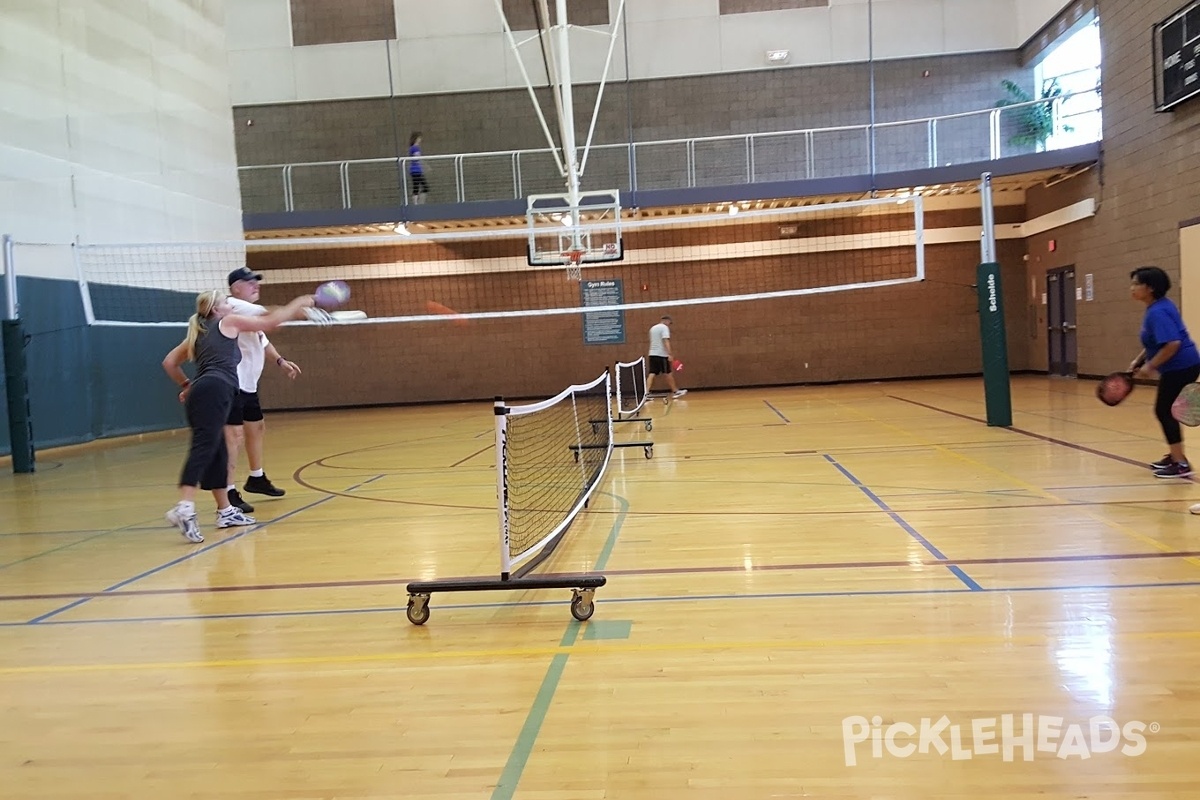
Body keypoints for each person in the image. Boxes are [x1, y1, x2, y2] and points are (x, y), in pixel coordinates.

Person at [161, 289, 319, 543]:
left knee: (219, 451)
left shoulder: (199, 331)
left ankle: (225, 511)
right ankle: (185, 506)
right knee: (204, 447)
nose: (230, 306)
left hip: (207, 390)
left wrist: (187, 385)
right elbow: (270, 323)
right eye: (226, 303)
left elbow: (169, 362)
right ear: (216, 310)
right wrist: (298, 302)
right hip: (216, 388)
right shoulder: (228, 322)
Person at [223, 267, 302, 513]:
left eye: (257, 282)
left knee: (257, 428)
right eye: (250, 283)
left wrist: (280, 361)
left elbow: (263, 340)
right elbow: (272, 318)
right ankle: (228, 492)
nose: (256, 286)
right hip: (231, 383)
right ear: (236, 287)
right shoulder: (232, 305)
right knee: (233, 438)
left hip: (247, 383)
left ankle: (256, 478)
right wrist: (300, 304)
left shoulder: (249, 316)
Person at [1128, 266, 1200, 478]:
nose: (1131, 288)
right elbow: (1156, 342)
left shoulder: (1158, 312)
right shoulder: (1157, 307)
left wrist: (1151, 367)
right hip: (1182, 365)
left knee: (1164, 410)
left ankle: (1180, 464)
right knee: (1167, 410)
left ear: (1149, 288)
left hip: (1181, 366)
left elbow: (1173, 344)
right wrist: (1140, 360)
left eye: (1135, 284)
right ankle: (1176, 455)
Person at [646, 315, 687, 398]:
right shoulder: (664, 328)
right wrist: (670, 354)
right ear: (666, 320)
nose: (669, 325)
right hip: (661, 354)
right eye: (669, 323)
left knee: (652, 373)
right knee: (668, 373)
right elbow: (666, 341)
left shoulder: (653, 328)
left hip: (652, 354)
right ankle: (675, 391)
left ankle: (646, 393)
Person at [408, 132, 428, 204]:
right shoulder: (414, 148)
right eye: (419, 138)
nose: (420, 140)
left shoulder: (415, 148)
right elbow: (417, 158)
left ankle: (419, 203)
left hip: (418, 170)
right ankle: (417, 204)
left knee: (424, 187)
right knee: (417, 187)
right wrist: (425, 165)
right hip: (415, 170)